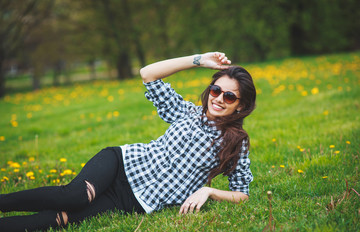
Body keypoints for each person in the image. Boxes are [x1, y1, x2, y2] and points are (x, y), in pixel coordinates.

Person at [0, 52, 256, 231]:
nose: (219, 98)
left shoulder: (235, 143)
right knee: (76, 196)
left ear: (241, 105)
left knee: (61, 220)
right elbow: (148, 74)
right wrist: (198, 60)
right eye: (216, 90)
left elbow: (242, 194)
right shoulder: (188, 112)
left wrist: (208, 190)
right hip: (121, 163)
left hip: (134, 201)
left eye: (230, 96)